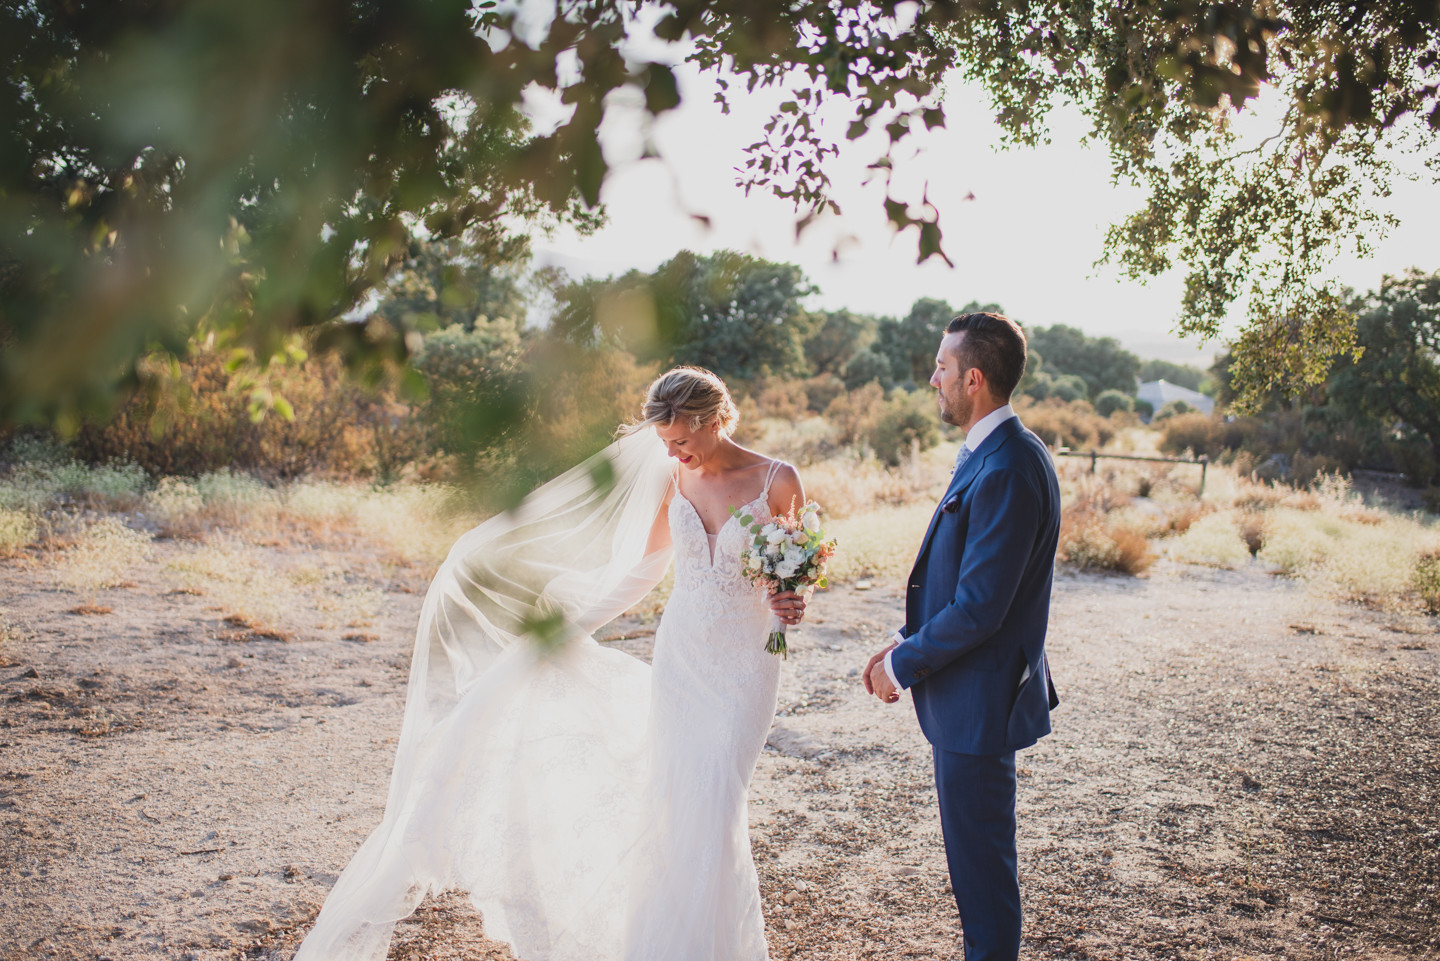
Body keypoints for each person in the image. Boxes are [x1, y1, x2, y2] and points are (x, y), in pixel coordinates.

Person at [295, 366, 809, 961]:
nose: (673, 451)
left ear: (715, 421)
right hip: (682, 660)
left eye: (682, 439)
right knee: (676, 806)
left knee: (716, 800)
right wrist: (563, 630)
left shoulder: (778, 479)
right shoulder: (673, 480)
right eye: (665, 442)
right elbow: (641, 574)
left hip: (745, 668)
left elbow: (793, 577)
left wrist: (788, 606)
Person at [862, 312, 1061, 961]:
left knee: (983, 883)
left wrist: (903, 667)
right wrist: (903, 639)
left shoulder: (1005, 466)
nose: (932, 378)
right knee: (977, 874)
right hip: (972, 699)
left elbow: (979, 608)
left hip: (979, 706)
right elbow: (966, 583)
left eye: (941, 368)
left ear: (973, 378)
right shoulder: (995, 452)